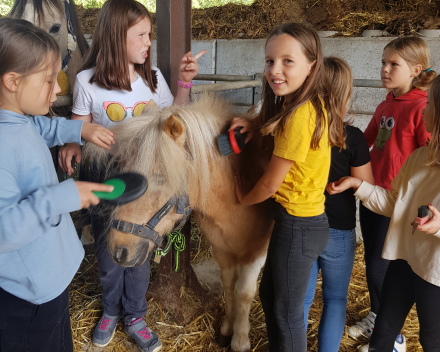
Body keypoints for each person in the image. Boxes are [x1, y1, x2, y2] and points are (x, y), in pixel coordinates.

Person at [58, 1, 205, 351]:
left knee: (139, 251)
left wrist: (184, 83)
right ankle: (111, 309)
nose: (148, 42)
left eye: (150, 35)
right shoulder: (86, 82)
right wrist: (72, 144)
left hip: (146, 184)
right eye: (140, 35)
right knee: (109, 255)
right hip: (106, 179)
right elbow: (80, 128)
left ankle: (136, 314)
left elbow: (175, 120)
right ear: (114, 37)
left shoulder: (151, 79)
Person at [0, 18, 114, 352]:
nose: (59, 89)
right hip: (28, 296)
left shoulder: (17, 118)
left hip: (47, 278)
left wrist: (79, 131)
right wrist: (62, 197)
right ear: (11, 81)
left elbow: (42, 127)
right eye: (50, 80)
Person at [231, 23, 345, 352]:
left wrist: (243, 198)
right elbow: (276, 126)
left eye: (287, 61)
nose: (275, 70)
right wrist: (254, 124)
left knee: (288, 313)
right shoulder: (298, 104)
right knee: (270, 297)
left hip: (299, 225)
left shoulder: (300, 115)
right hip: (297, 222)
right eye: (269, 61)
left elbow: (268, 184)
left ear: (312, 65)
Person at [327, 73, 440, 352]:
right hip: (405, 259)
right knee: (384, 330)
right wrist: (359, 185)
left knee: (431, 340)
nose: (423, 109)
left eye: (430, 105)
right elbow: (394, 202)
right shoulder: (419, 158)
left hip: (435, 273)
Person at [303, 57, 374, 352]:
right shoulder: (352, 138)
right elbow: (367, 186)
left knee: (301, 300)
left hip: (304, 224)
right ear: (346, 92)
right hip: (340, 230)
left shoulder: (299, 131)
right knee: (335, 299)